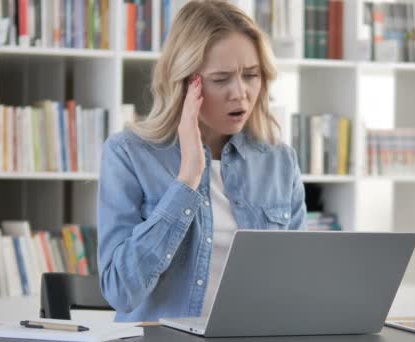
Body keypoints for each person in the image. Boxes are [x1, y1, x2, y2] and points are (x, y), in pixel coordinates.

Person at [97, 0, 307, 322]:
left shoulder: (279, 161)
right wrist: (187, 180)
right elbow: (120, 292)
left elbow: (298, 283)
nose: (240, 93)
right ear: (185, 83)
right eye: (221, 79)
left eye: (251, 75)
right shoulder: (128, 154)